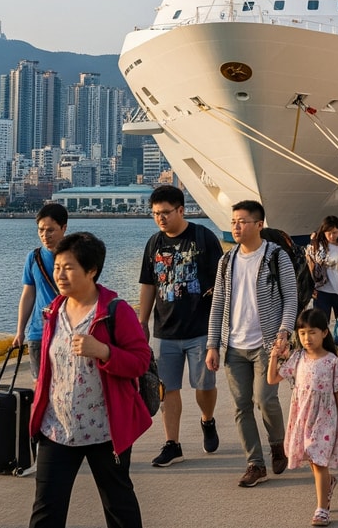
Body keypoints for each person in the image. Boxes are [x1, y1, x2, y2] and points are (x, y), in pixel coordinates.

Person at [29, 231, 152, 528]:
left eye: (69, 267)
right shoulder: (53, 311)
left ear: (92, 270)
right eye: (58, 267)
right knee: (46, 511)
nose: (60, 274)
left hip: (105, 430)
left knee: (119, 507)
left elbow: (140, 361)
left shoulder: (114, 310)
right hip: (56, 427)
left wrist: (105, 352)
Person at [204, 200, 297, 488]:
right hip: (234, 345)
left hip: (267, 344)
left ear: (259, 225)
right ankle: (255, 464)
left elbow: (291, 296)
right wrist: (212, 345)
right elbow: (218, 302)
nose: (236, 226)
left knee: (264, 399)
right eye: (233, 221)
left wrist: (284, 332)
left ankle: (278, 444)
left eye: (242, 221)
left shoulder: (276, 256)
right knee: (241, 405)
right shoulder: (226, 261)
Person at [135, 184, 224, 468]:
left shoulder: (203, 238)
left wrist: (219, 326)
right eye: (155, 214)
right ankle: (172, 444)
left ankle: (207, 420)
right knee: (167, 389)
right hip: (165, 331)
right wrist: (143, 321)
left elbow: (222, 283)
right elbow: (148, 284)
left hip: (200, 329)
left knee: (204, 386)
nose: (160, 218)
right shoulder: (154, 244)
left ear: (181, 210)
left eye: (165, 212)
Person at [269, 309, 338, 527]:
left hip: (325, 418)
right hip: (302, 416)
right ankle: (329, 483)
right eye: (302, 333)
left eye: (312, 333)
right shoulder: (297, 358)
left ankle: (322, 509)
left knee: (319, 460)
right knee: (313, 460)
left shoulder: (333, 361)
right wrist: (275, 355)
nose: (307, 338)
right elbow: (273, 378)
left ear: (324, 333)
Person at [15, 203, 67, 381]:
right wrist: (20, 331)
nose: (45, 235)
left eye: (51, 230)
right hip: (38, 332)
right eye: (41, 230)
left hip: (67, 331)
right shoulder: (33, 257)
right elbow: (28, 295)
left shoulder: (74, 256)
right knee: (40, 386)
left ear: (64, 228)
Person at [307, 217, 338, 322]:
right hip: (322, 290)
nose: (331, 236)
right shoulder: (317, 247)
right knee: (320, 323)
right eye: (328, 233)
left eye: (335, 232)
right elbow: (309, 267)